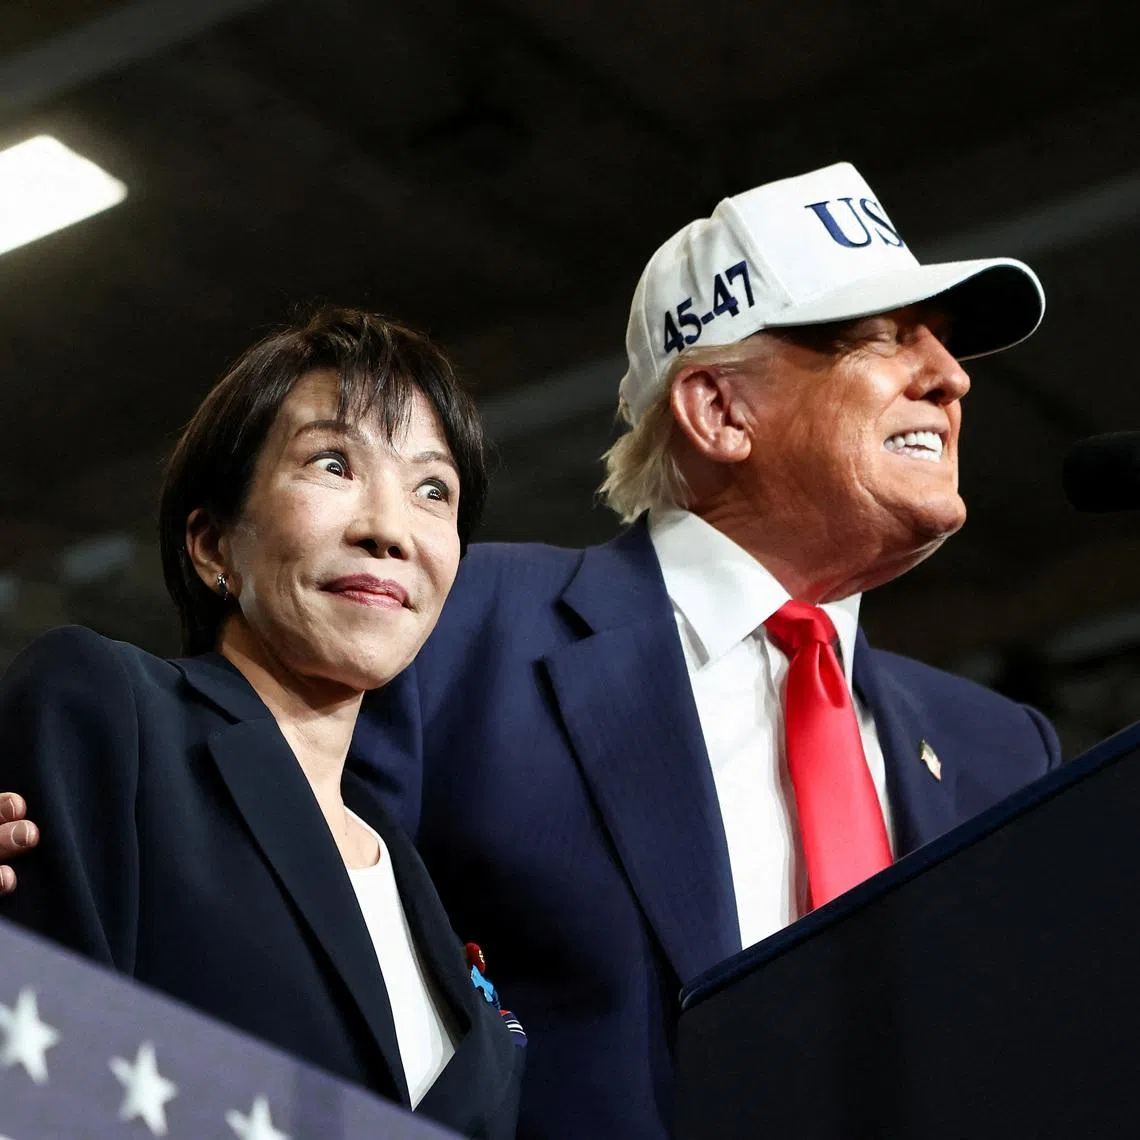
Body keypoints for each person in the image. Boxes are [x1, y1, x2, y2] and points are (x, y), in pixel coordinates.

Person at [2, 162, 1062, 1139]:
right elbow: (251, 938)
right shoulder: (450, 629)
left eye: (433, 492)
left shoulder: (1005, 750)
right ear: (719, 407)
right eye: (882, 334)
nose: (950, 377)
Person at [0, 308, 523, 1139]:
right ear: (212, 545)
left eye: (434, 488)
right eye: (332, 463)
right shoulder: (112, 714)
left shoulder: (410, 868)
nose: (389, 530)